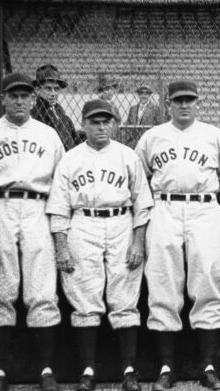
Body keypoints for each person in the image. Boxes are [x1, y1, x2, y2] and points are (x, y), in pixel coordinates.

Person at [0, 73, 66, 391]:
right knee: (0, 290)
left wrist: (60, 225)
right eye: (13, 95)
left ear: (34, 100)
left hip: (38, 208)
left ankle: (46, 371)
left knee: (42, 289)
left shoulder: (49, 135)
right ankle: (0, 373)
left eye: (25, 95)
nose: (19, 100)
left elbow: (62, 186)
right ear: (3, 99)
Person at [135, 80, 220, 391]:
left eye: (189, 100)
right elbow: (139, 179)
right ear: (168, 104)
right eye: (178, 100)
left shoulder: (213, 135)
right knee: (163, 284)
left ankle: (207, 366)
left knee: (207, 283)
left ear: (198, 103)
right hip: (164, 207)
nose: (183, 105)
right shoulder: (152, 137)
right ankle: (167, 367)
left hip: (204, 208)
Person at [47, 99, 153, 391]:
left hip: (121, 223)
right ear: (83, 125)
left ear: (115, 124)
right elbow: (58, 207)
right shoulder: (70, 158)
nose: (102, 126)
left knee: (125, 296)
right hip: (83, 223)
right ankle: (88, 371)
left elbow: (142, 205)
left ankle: (129, 371)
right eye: (95, 121)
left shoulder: (127, 155)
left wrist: (138, 242)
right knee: (83, 296)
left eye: (107, 121)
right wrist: (61, 246)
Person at [31, 64, 81, 150]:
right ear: (38, 90)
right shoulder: (34, 114)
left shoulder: (62, 115)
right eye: (48, 89)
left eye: (56, 89)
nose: (53, 93)